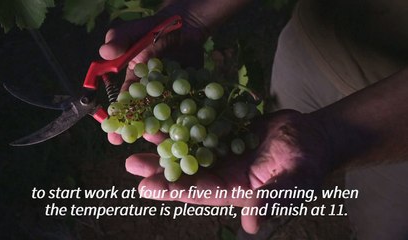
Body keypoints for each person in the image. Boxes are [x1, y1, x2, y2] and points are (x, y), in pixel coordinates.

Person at [99, 0, 408, 239]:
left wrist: (331, 138)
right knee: (275, 152)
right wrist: (190, 14)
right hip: (309, 46)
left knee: (381, 226)